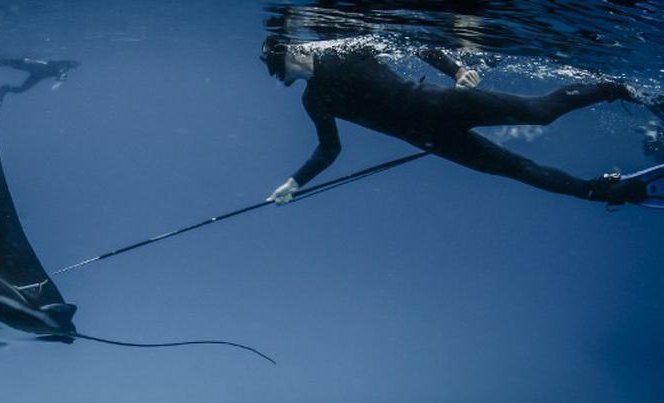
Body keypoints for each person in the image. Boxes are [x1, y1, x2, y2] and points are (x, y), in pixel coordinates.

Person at [261, 36, 663, 206]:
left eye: (276, 70)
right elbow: (329, 149)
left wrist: (455, 71)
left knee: (541, 112)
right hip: (430, 138)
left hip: (442, 106)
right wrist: (295, 183)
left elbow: (412, 42)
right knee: (515, 169)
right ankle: (598, 192)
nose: (278, 81)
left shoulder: (343, 51)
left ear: (289, 54)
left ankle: (619, 89)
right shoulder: (314, 101)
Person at [0, 57, 81, 119]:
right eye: (75, 63)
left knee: (16, 69)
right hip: (37, 71)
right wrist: (57, 84)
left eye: (75, 64)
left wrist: (57, 83)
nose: (75, 65)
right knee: (16, 67)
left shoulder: (64, 66)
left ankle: (4, 88)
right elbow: (61, 76)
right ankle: (5, 86)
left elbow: (61, 76)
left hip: (37, 73)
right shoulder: (64, 66)